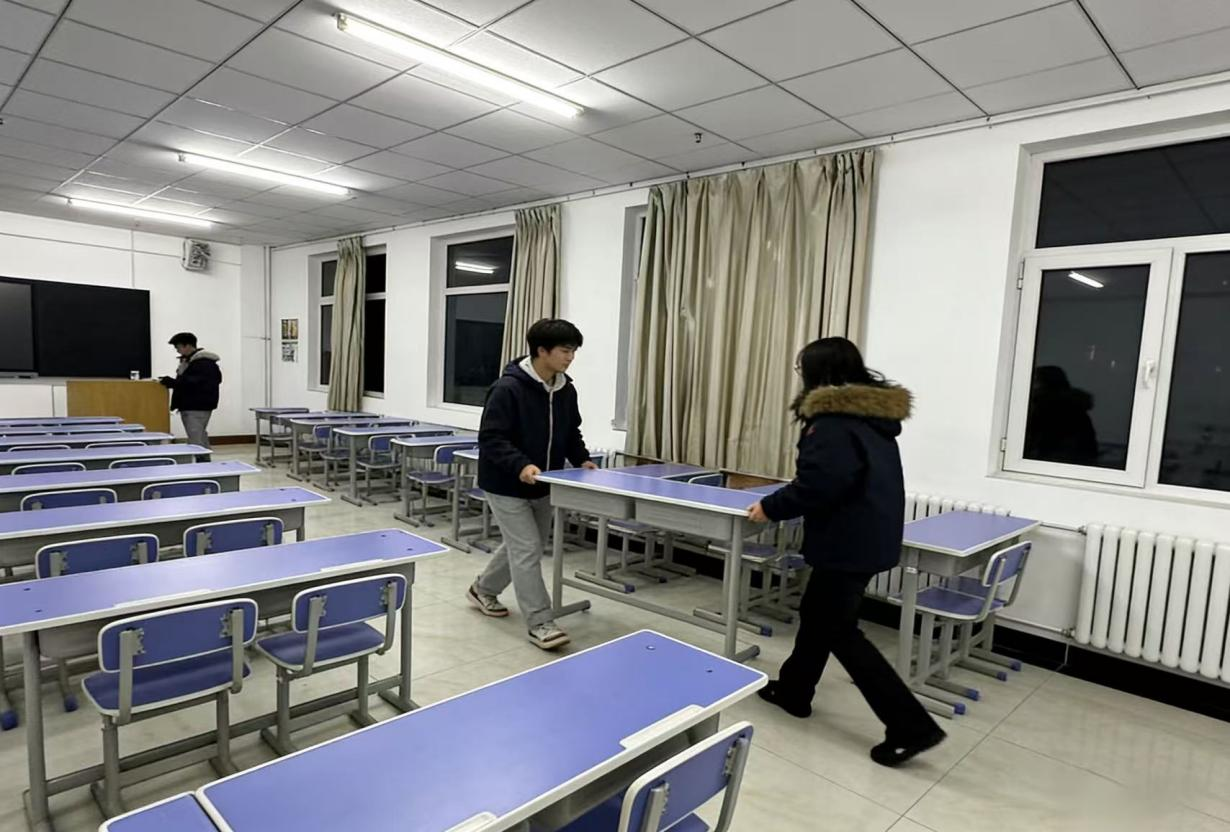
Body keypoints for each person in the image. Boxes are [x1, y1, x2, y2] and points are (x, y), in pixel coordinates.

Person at [747, 336, 945, 767]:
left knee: (838, 629)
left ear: (819, 373)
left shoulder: (834, 422)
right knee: (818, 616)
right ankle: (794, 690)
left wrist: (770, 507)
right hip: (867, 537)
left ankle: (911, 726)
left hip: (847, 541)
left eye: (802, 369)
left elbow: (820, 484)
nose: (800, 376)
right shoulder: (869, 419)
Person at [467, 319, 597, 650]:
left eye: (573, 351)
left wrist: (581, 459)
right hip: (505, 483)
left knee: (527, 545)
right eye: (565, 350)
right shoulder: (507, 388)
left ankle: (483, 589)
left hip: (544, 482)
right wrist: (521, 465)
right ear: (542, 351)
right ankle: (541, 622)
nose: (570, 357)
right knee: (526, 548)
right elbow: (491, 438)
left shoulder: (565, 389)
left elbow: (571, 431)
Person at [158, 332, 221, 449]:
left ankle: (200, 459)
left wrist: (172, 382)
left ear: (187, 346)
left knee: (195, 438)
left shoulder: (203, 363)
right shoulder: (191, 361)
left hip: (197, 406)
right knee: (199, 435)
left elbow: (192, 383)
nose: (177, 350)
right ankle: (205, 458)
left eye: (178, 347)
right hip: (194, 405)